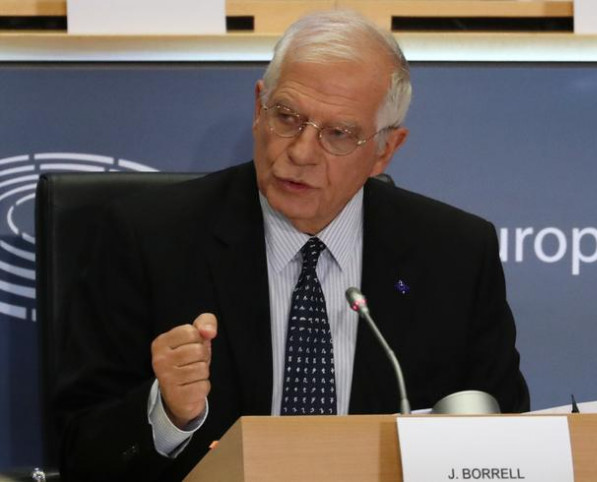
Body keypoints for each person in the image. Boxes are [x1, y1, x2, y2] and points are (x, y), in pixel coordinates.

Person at [56, 9, 529, 481]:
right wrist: (167, 414)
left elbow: (509, 445)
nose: (301, 152)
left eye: (338, 134)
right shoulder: (148, 238)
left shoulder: (455, 256)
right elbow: (79, 450)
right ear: (258, 107)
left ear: (385, 149)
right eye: (286, 117)